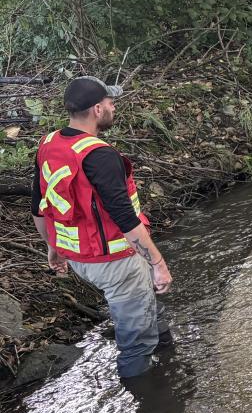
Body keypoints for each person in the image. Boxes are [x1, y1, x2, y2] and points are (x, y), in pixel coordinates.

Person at [32, 76, 173, 378]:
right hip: (114, 260)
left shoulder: (49, 144)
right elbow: (125, 219)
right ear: (97, 109)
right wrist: (158, 264)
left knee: (148, 310)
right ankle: (152, 410)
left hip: (78, 257)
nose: (114, 107)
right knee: (136, 342)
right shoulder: (99, 155)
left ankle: (170, 359)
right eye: (111, 103)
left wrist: (54, 248)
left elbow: (39, 207)